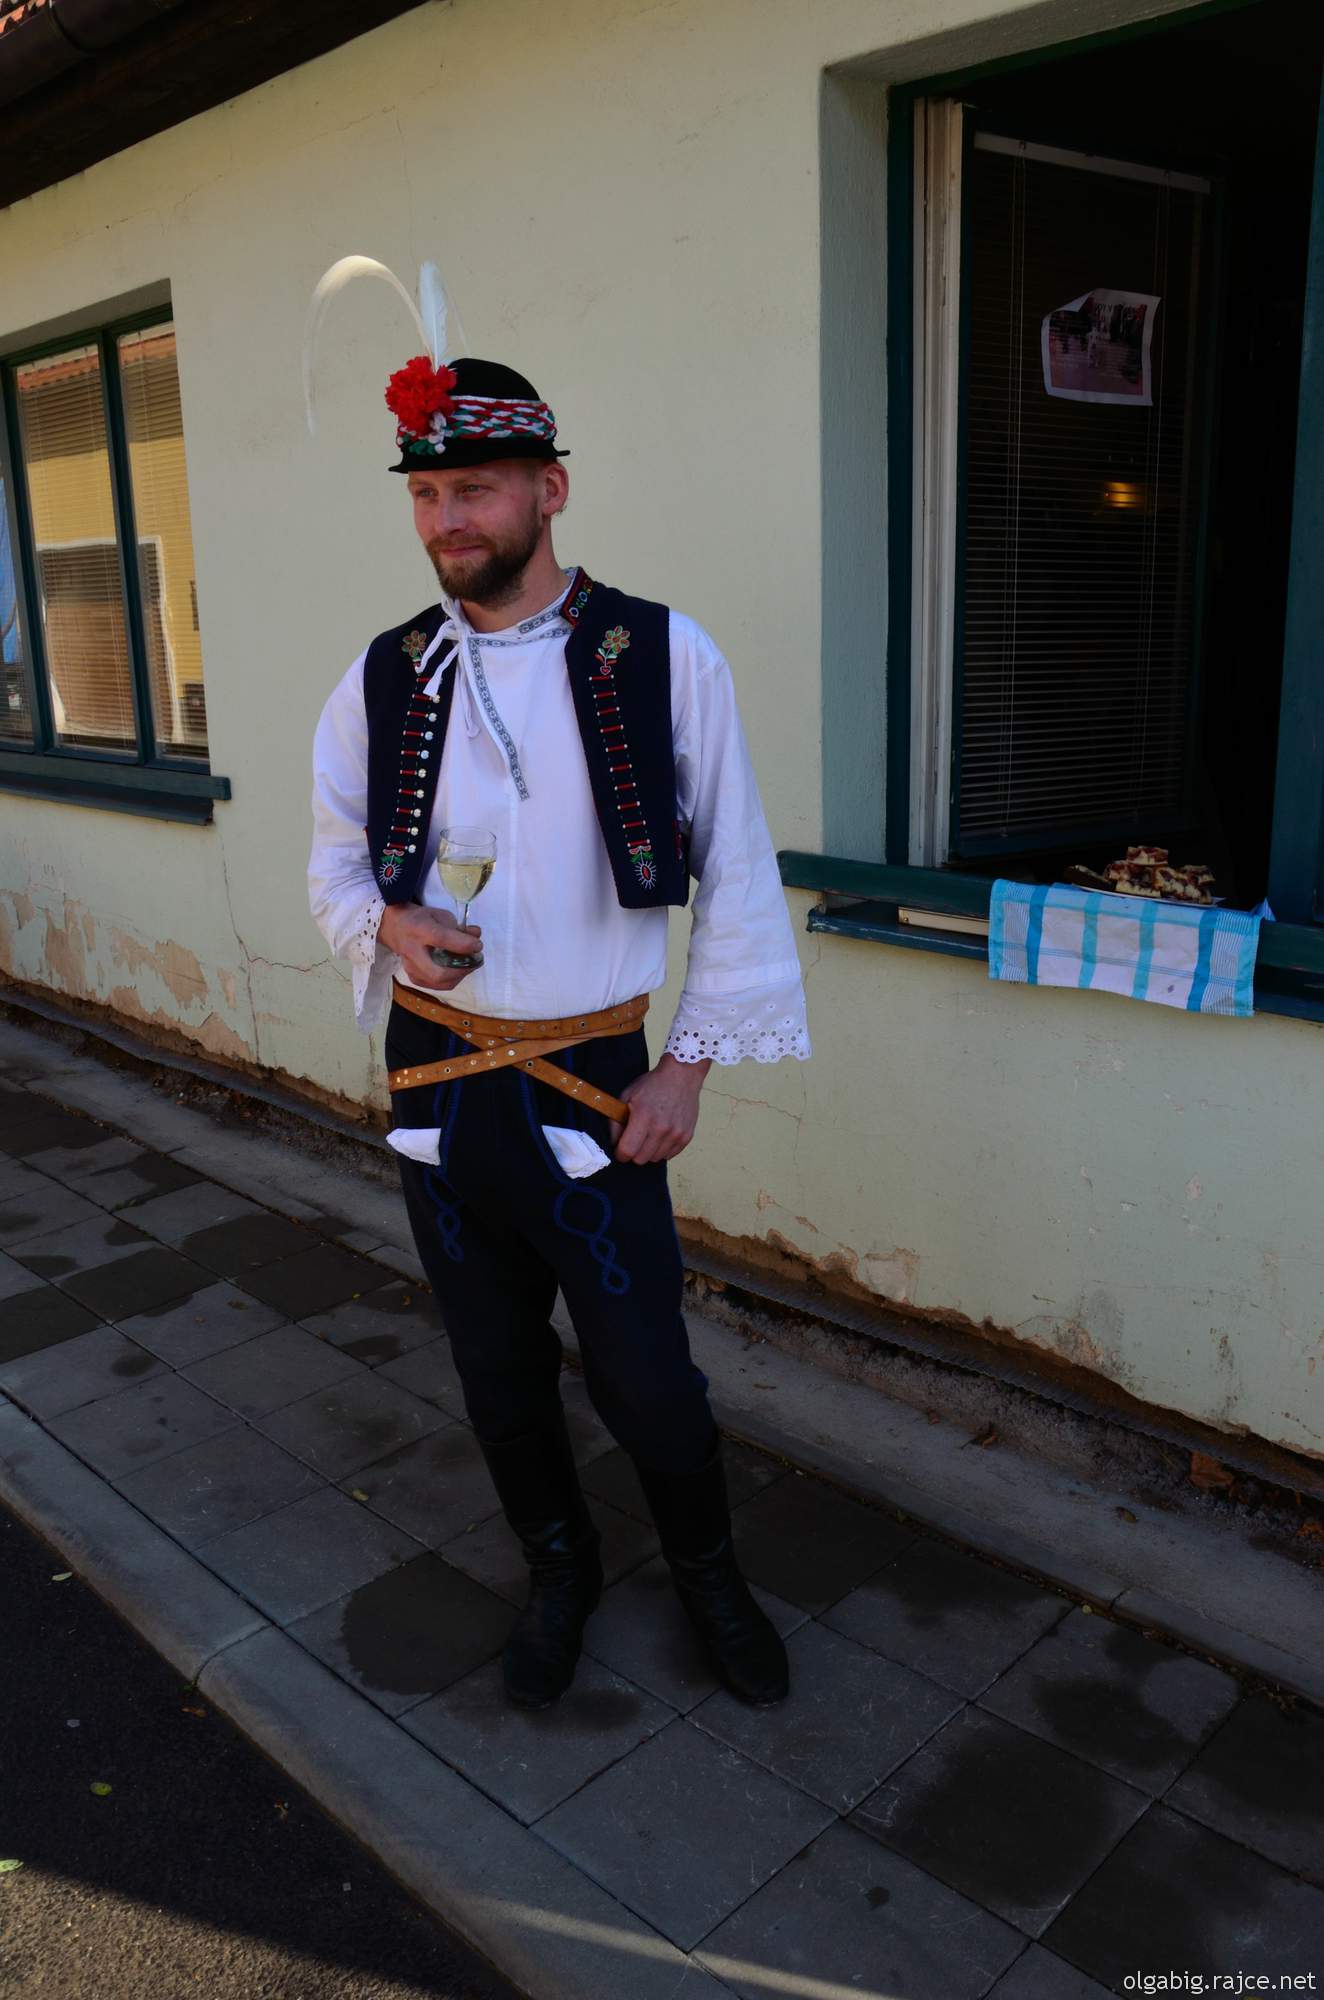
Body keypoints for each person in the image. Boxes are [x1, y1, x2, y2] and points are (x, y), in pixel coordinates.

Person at [307, 351, 811, 1714]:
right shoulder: (385, 674)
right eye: (426, 495)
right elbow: (335, 858)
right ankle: (559, 1570)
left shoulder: (663, 653)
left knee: (649, 1381)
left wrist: (688, 1066)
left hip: (597, 1081)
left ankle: (710, 1577)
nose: (446, 520)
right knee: (497, 1368)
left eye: (475, 488)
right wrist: (388, 923)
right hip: (437, 1078)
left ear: (551, 489)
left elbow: (742, 871)